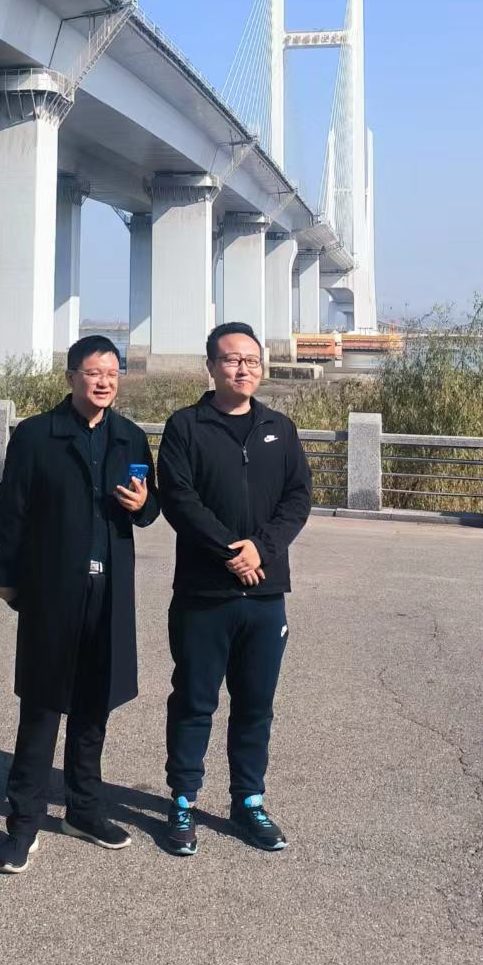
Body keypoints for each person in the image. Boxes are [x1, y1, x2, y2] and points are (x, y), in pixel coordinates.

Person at [0, 333, 159, 874]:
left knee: (94, 702)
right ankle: (23, 823)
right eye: (93, 372)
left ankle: (84, 810)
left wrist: (143, 504)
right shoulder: (37, 435)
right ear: (71, 377)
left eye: (112, 373)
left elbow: (149, 509)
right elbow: (11, 510)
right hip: (52, 588)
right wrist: (9, 576)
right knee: (42, 705)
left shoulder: (130, 438)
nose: (104, 381)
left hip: (109, 589)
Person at [156, 320, 312, 855]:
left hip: (265, 594)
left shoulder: (280, 428)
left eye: (251, 360)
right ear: (211, 366)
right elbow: (179, 499)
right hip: (204, 594)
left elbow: (298, 498)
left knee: (255, 705)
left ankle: (248, 800)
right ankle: (182, 800)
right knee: (194, 701)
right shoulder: (185, 426)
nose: (243, 368)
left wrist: (260, 550)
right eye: (231, 359)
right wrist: (230, 552)